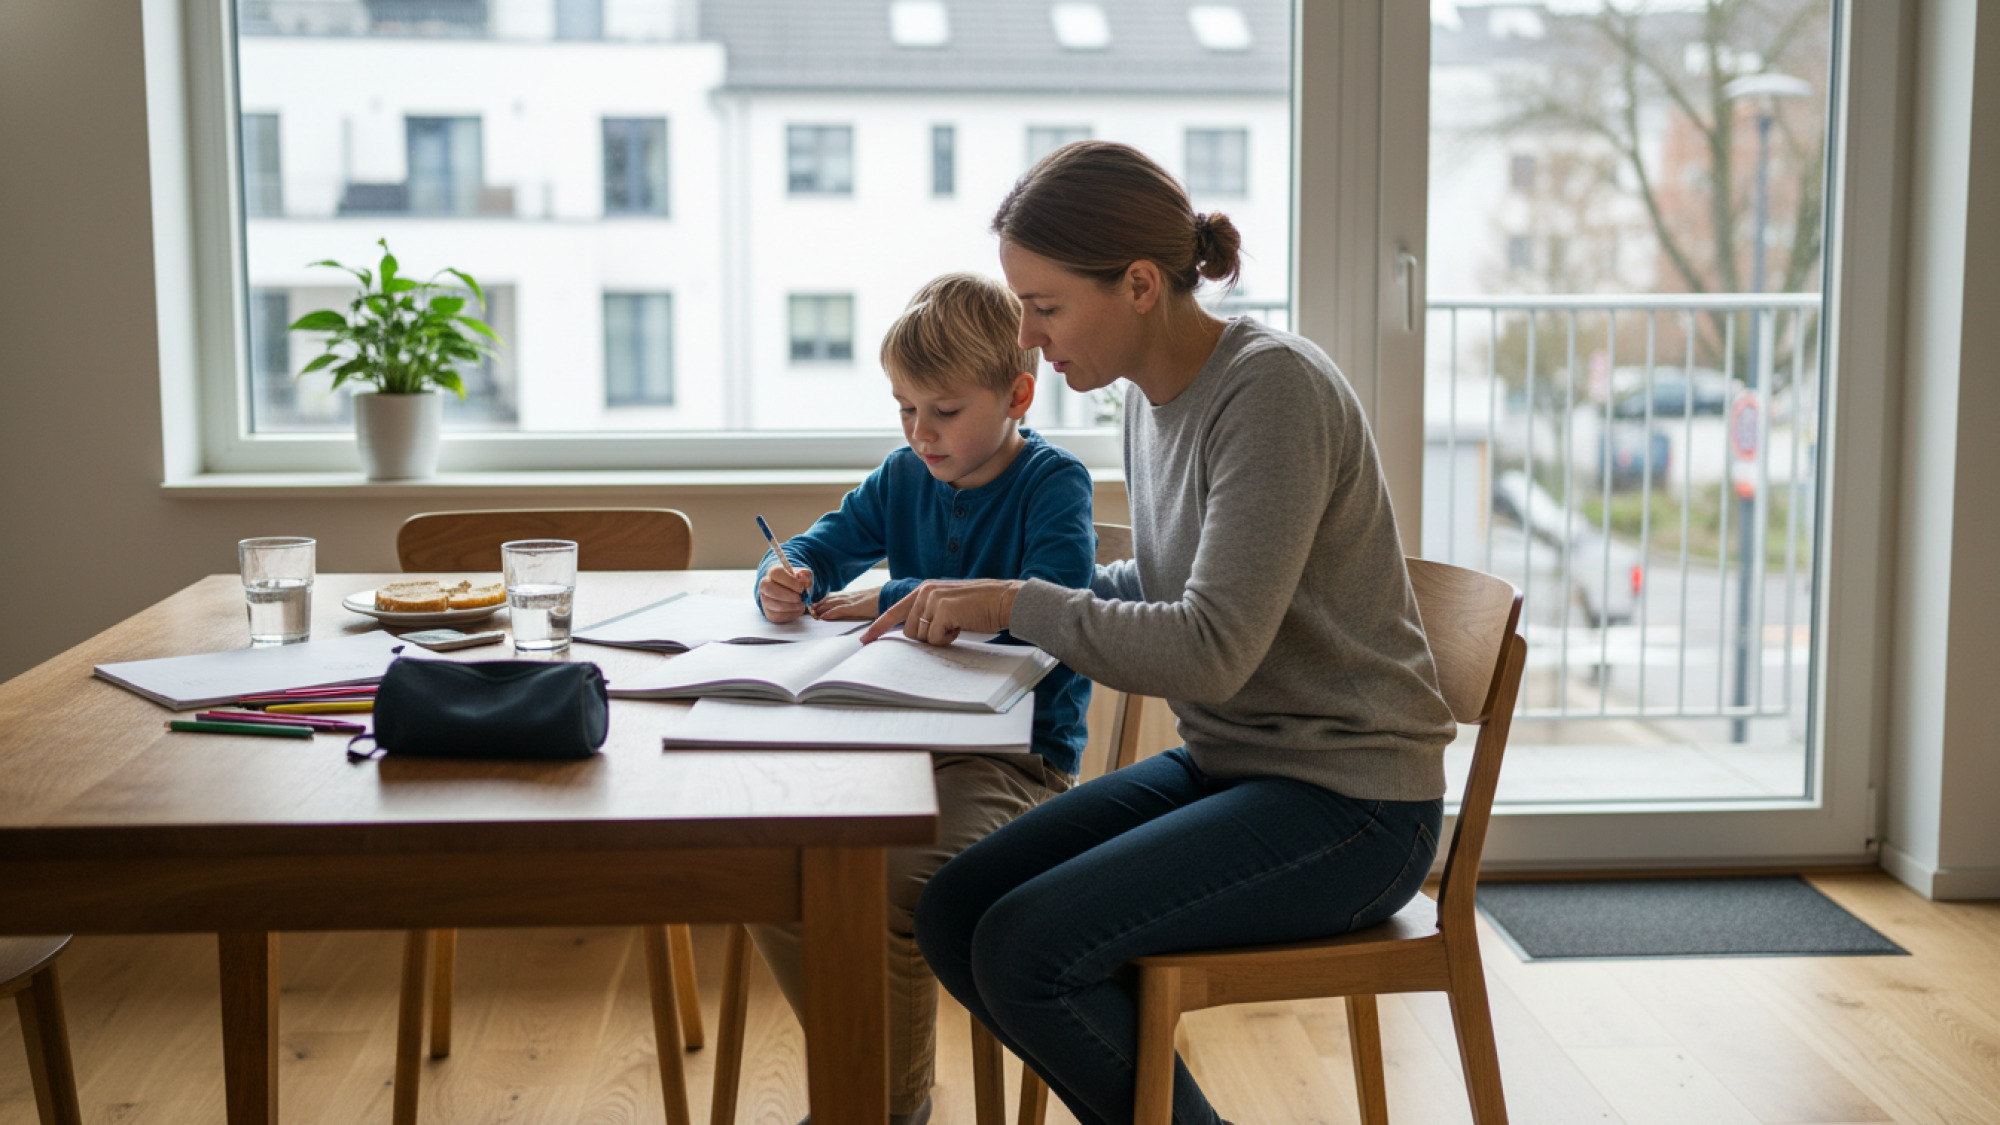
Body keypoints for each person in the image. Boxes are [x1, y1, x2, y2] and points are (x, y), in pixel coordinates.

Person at [864, 142, 1460, 1125]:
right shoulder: (1148, 401)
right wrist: (996, 594)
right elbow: (1175, 580)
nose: (1023, 334)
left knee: (1026, 952)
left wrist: (1019, 603)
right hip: (1238, 764)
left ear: (1138, 284)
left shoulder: (1271, 392)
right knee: (953, 911)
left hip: (1352, 804)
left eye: (1043, 306)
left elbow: (1209, 644)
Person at [752, 271, 1096, 1125]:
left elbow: (1052, 612)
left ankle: (890, 1106)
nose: (920, 432)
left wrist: (895, 590)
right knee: (767, 868)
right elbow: (821, 545)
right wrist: (785, 573)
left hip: (1016, 761)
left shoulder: (1055, 483)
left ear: (1016, 394)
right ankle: (860, 1078)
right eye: (904, 408)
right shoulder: (903, 474)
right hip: (892, 743)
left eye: (943, 411)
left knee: (905, 883)